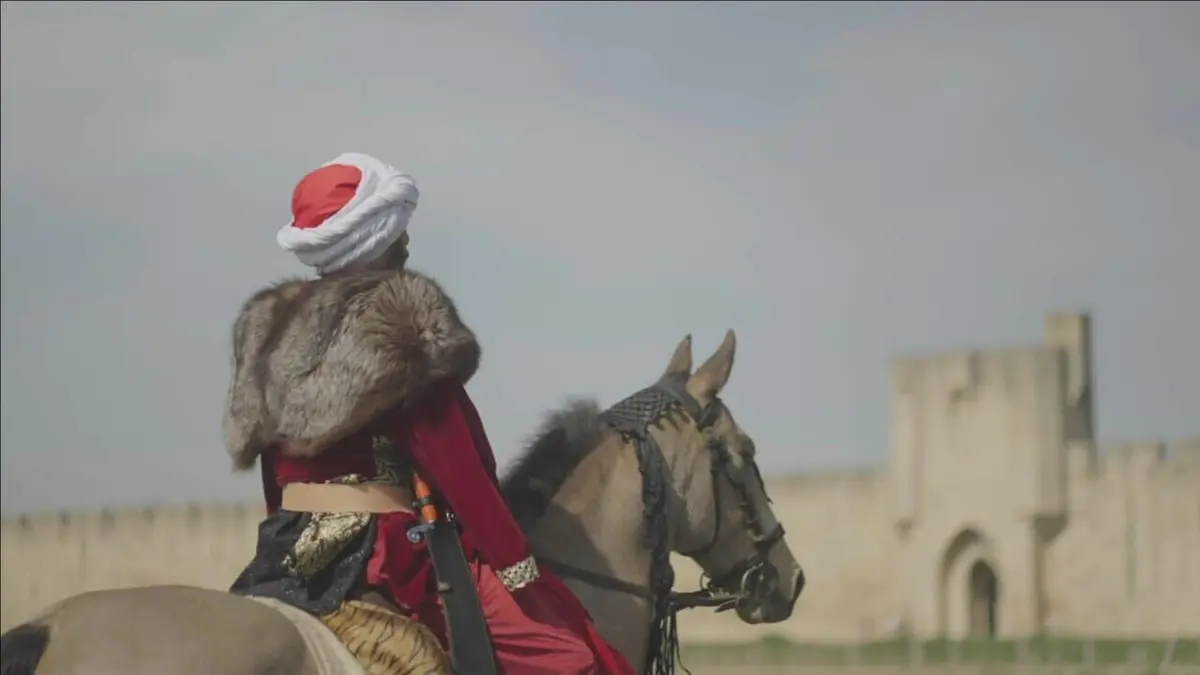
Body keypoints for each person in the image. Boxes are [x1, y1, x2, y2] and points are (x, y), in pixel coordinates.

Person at [224, 152, 636, 675]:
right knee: (571, 659)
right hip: (387, 549)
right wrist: (515, 565)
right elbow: (458, 464)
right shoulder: (402, 320)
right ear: (378, 238)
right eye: (399, 233)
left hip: (288, 545)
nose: (408, 243)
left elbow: (268, 462)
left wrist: (279, 534)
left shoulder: (270, 326)